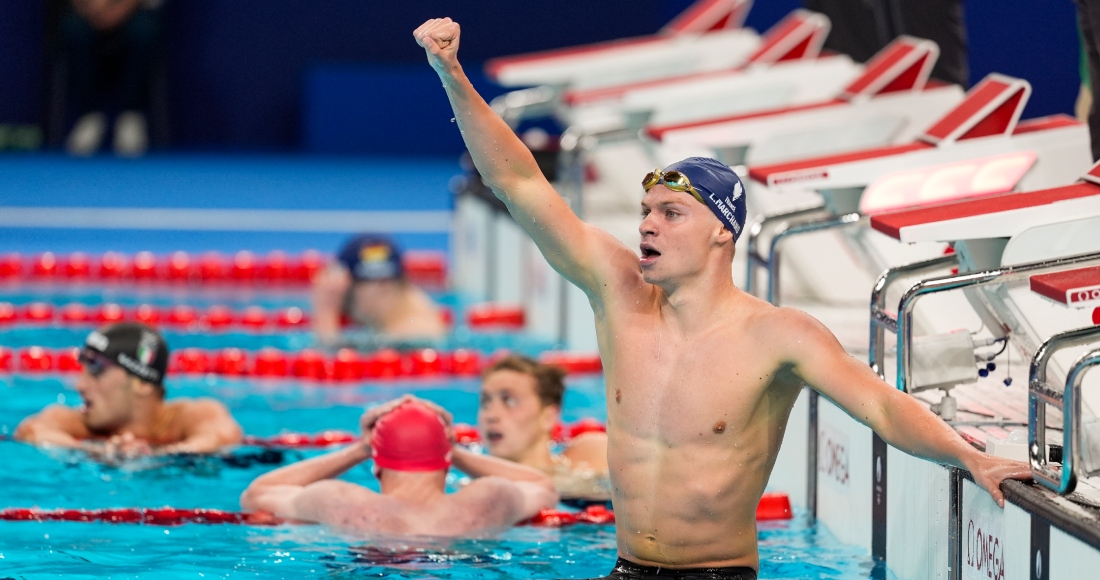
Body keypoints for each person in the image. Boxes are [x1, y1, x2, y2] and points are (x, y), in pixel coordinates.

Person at [414, 18, 1031, 578]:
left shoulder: (777, 335)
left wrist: (969, 457)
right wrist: (452, 73)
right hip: (624, 568)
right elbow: (518, 181)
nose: (647, 225)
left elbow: (882, 407)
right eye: (646, 212)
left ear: (721, 232)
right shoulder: (618, 292)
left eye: (671, 213)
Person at [240, 396, 558, 535]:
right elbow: (544, 486)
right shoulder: (490, 497)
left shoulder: (340, 501)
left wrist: (358, 449)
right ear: (446, 463)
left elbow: (257, 494)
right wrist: (457, 451)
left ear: (376, 464)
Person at [15, 322, 242, 457]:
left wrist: (151, 458)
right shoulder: (78, 423)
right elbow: (32, 430)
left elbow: (221, 437)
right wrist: (99, 453)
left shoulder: (189, 418)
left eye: (96, 369)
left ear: (142, 383)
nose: (79, 385)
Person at [478, 354, 610, 501]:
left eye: (509, 401)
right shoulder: (476, 488)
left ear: (548, 417)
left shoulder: (592, 455)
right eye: (485, 402)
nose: (490, 415)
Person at [61, 0, 164, 156]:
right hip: (86, 13)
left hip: (133, 13)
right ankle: (88, 116)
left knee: (143, 31)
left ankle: (130, 116)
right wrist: (92, 8)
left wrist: (119, 9)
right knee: (74, 30)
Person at [311, 234, 446, 345]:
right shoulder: (409, 304)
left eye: (349, 292)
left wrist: (326, 315)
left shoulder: (413, 336)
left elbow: (333, 367)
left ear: (382, 283)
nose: (345, 304)